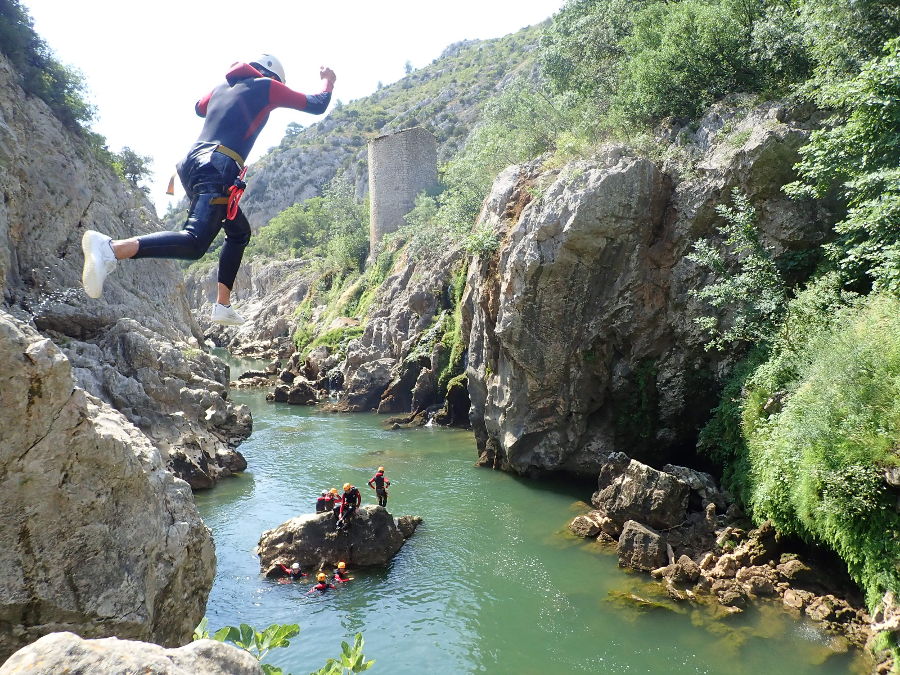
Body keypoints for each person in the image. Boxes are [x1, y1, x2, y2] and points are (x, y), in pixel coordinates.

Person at [81, 55, 337, 326]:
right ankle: (110, 248)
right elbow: (317, 105)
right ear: (273, 76)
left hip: (192, 165)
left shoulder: (220, 89)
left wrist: (229, 86)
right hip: (218, 165)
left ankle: (222, 305)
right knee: (194, 243)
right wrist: (327, 81)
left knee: (239, 232)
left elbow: (199, 107)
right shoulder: (266, 86)